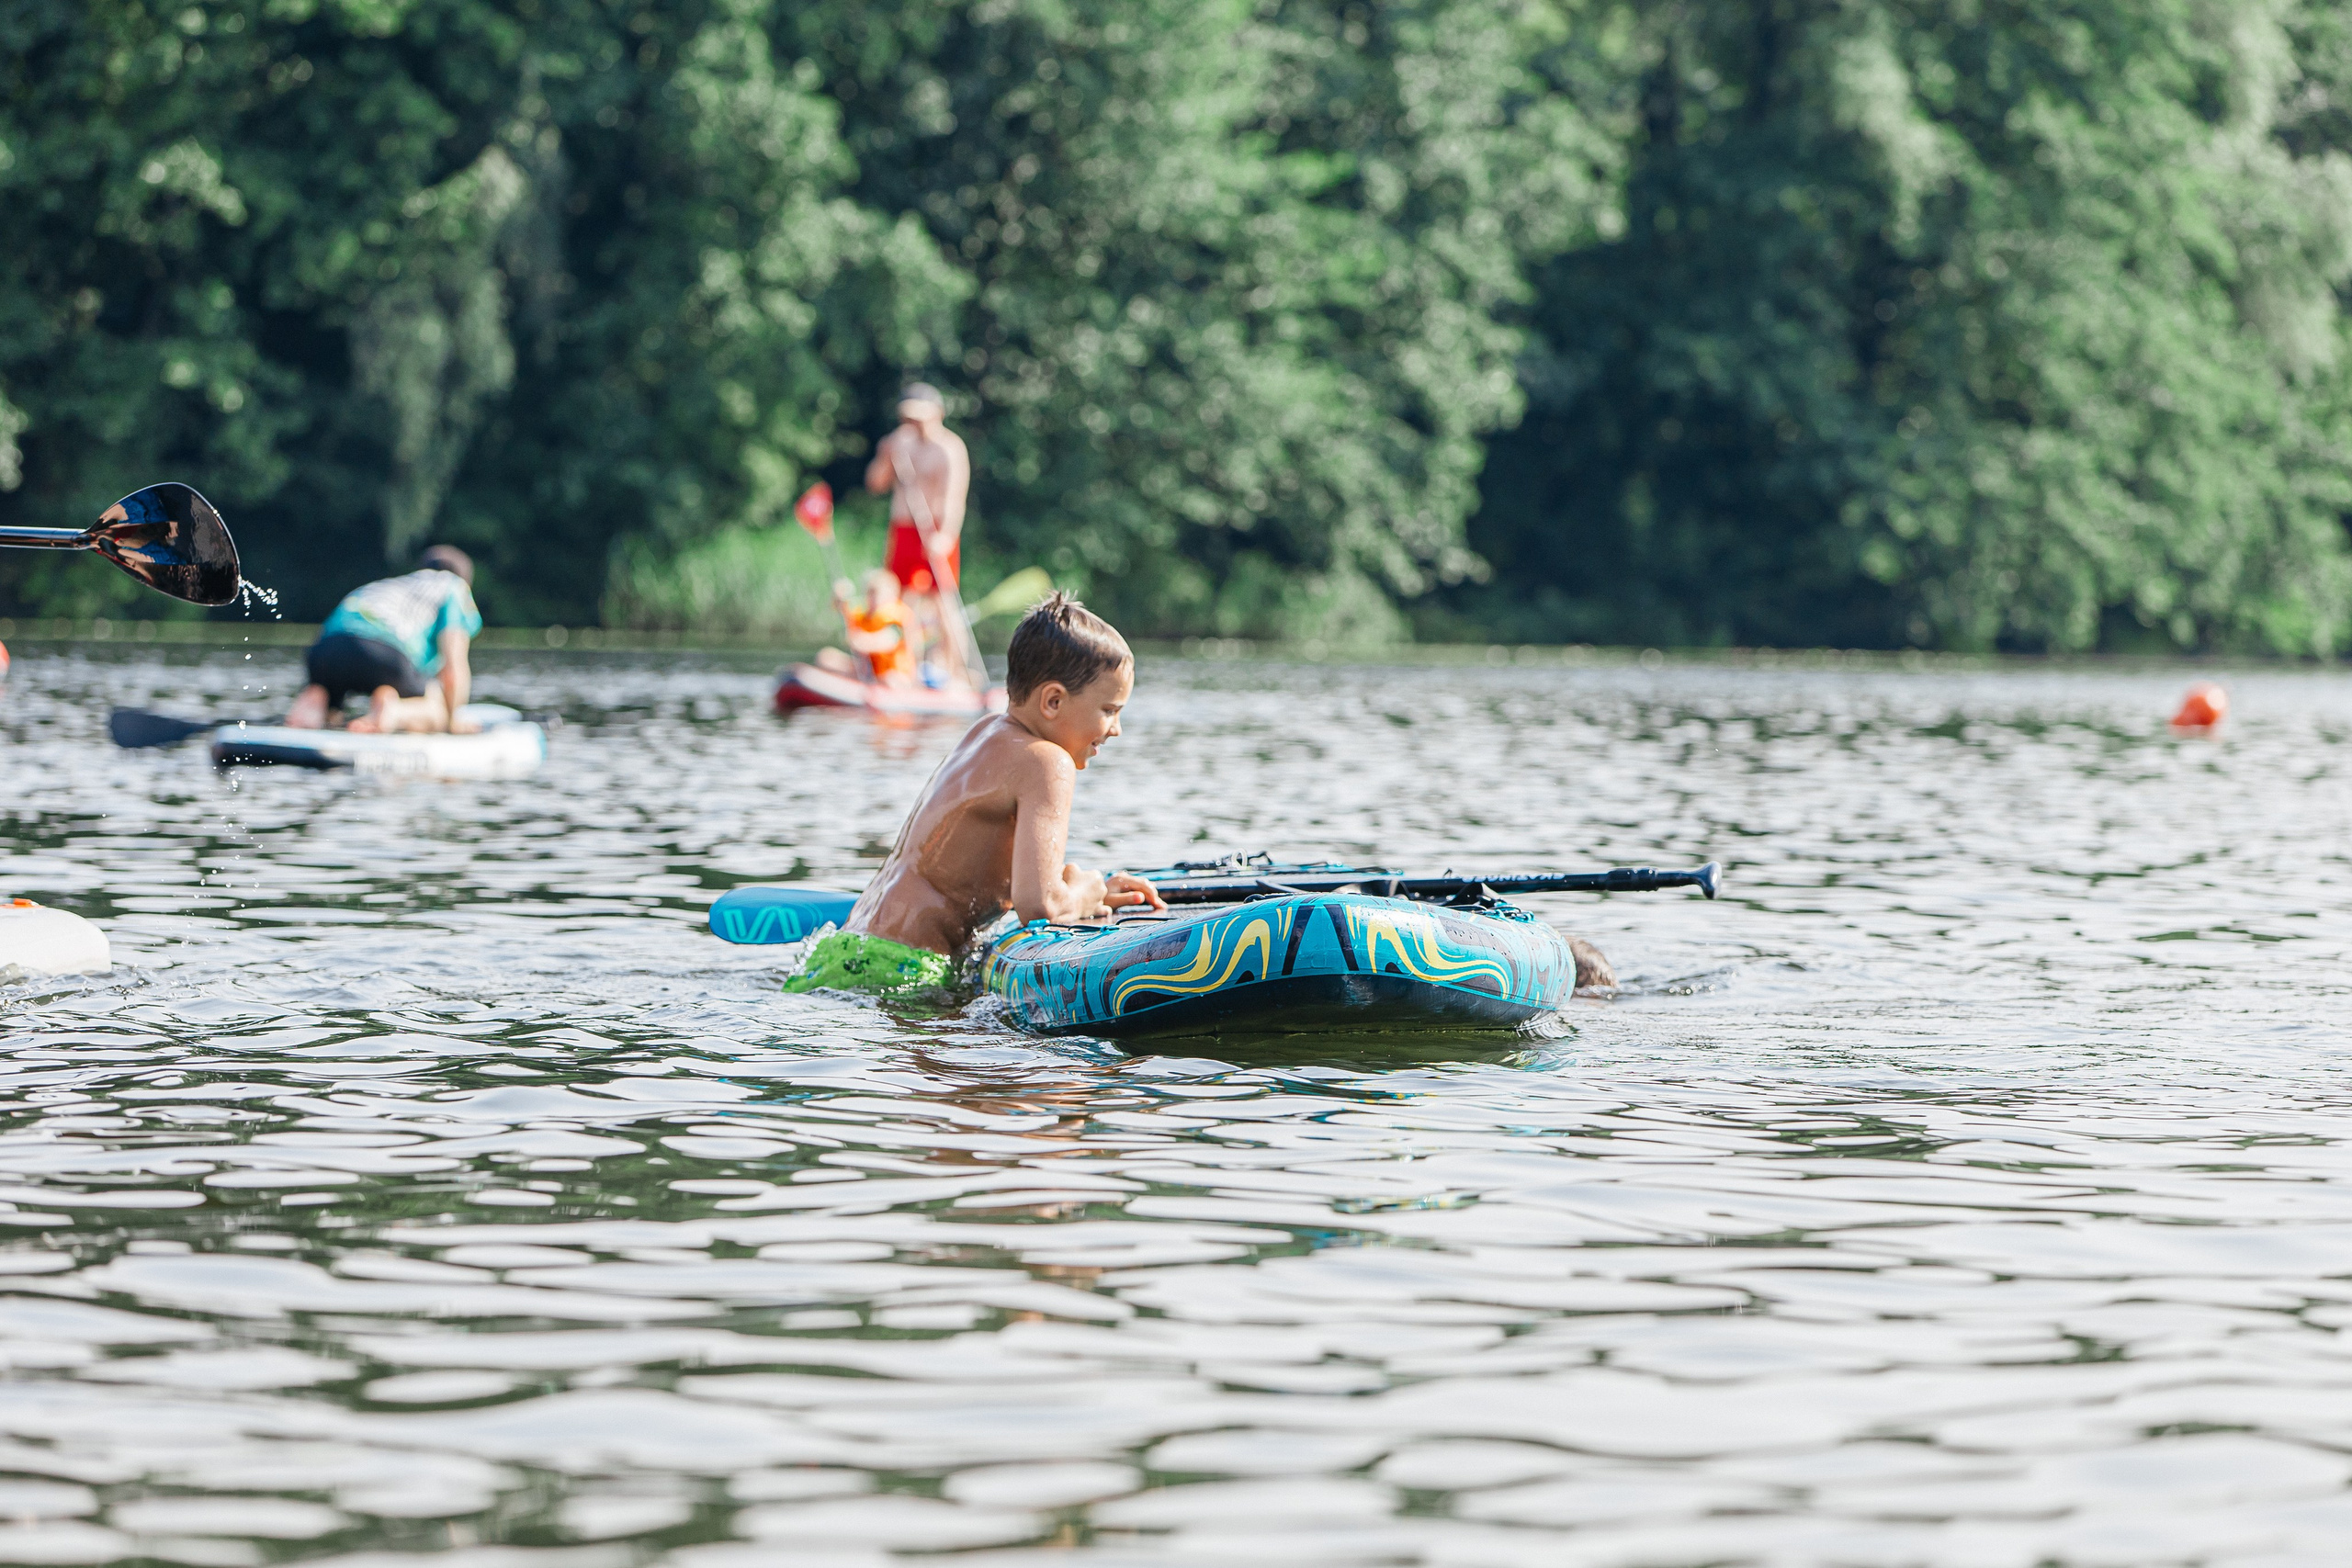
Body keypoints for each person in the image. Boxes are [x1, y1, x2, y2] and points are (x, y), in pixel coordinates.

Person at [787, 592, 1166, 994]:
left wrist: (1077, 887)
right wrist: (1087, 892)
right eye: (1109, 710)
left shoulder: (985, 733)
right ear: (1053, 701)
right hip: (902, 970)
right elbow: (1042, 907)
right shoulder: (1047, 762)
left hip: (846, 949)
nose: (1116, 728)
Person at [285, 545, 483, 734]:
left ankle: (317, 699)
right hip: (384, 654)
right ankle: (392, 710)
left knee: (328, 695)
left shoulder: (390, 586)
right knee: (437, 709)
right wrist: (452, 721)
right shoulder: (454, 587)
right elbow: (452, 670)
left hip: (323, 653)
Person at [865, 382, 972, 682]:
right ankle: (898, 666)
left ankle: (956, 671)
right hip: (904, 527)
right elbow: (875, 484)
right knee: (895, 599)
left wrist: (946, 537)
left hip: (936, 529)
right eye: (910, 416)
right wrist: (885, 456)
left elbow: (955, 499)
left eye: (921, 416)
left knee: (943, 603)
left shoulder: (950, 448)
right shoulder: (899, 443)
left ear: (936, 413)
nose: (915, 423)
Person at [830, 570, 922, 687]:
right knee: (828, 658)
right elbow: (842, 611)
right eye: (869, 593)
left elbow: (889, 638)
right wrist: (840, 598)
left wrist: (859, 641)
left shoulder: (896, 616)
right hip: (870, 671)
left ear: (892, 595)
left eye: (876, 593)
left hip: (895, 674)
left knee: (889, 679)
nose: (872, 598)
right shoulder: (865, 616)